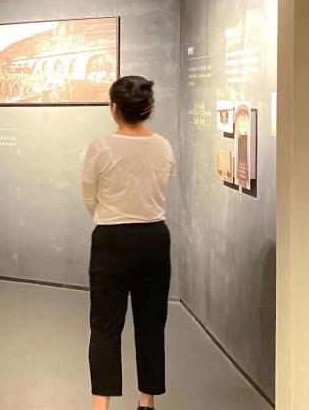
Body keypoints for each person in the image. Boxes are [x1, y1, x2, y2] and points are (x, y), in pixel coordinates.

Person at [82, 76, 176, 410]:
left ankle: (101, 405)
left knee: (105, 326)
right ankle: (147, 401)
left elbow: (89, 195)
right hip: (154, 238)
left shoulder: (100, 147)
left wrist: (109, 215)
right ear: (149, 108)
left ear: (114, 109)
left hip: (111, 239)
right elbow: (163, 183)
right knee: (151, 324)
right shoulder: (163, 146)